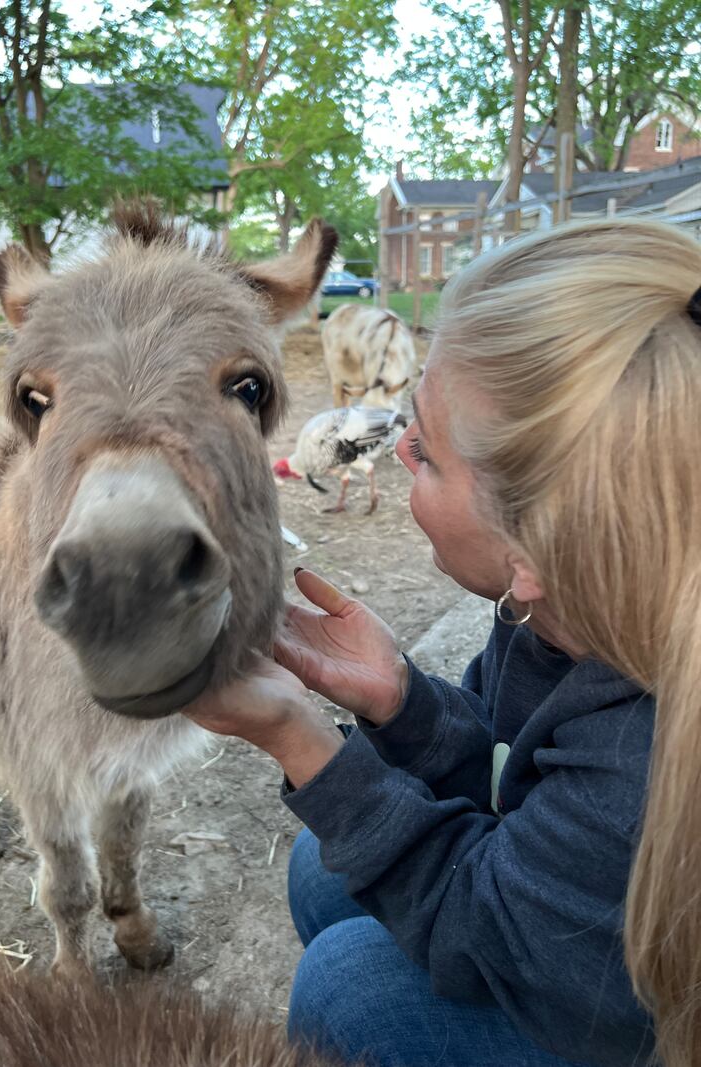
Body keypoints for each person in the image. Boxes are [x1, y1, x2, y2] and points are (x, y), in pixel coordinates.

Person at [186, 218, 701, 1067]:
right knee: (326, 863)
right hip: (582, 935)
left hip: (639, 1025)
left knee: (347, 987)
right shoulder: (551, 616)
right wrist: (401, 698)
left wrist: (301, 743)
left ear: (530, 548)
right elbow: (511, 780)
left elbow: (483, 921)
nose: (400, 453)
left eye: (424, 453)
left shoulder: (640, 759)